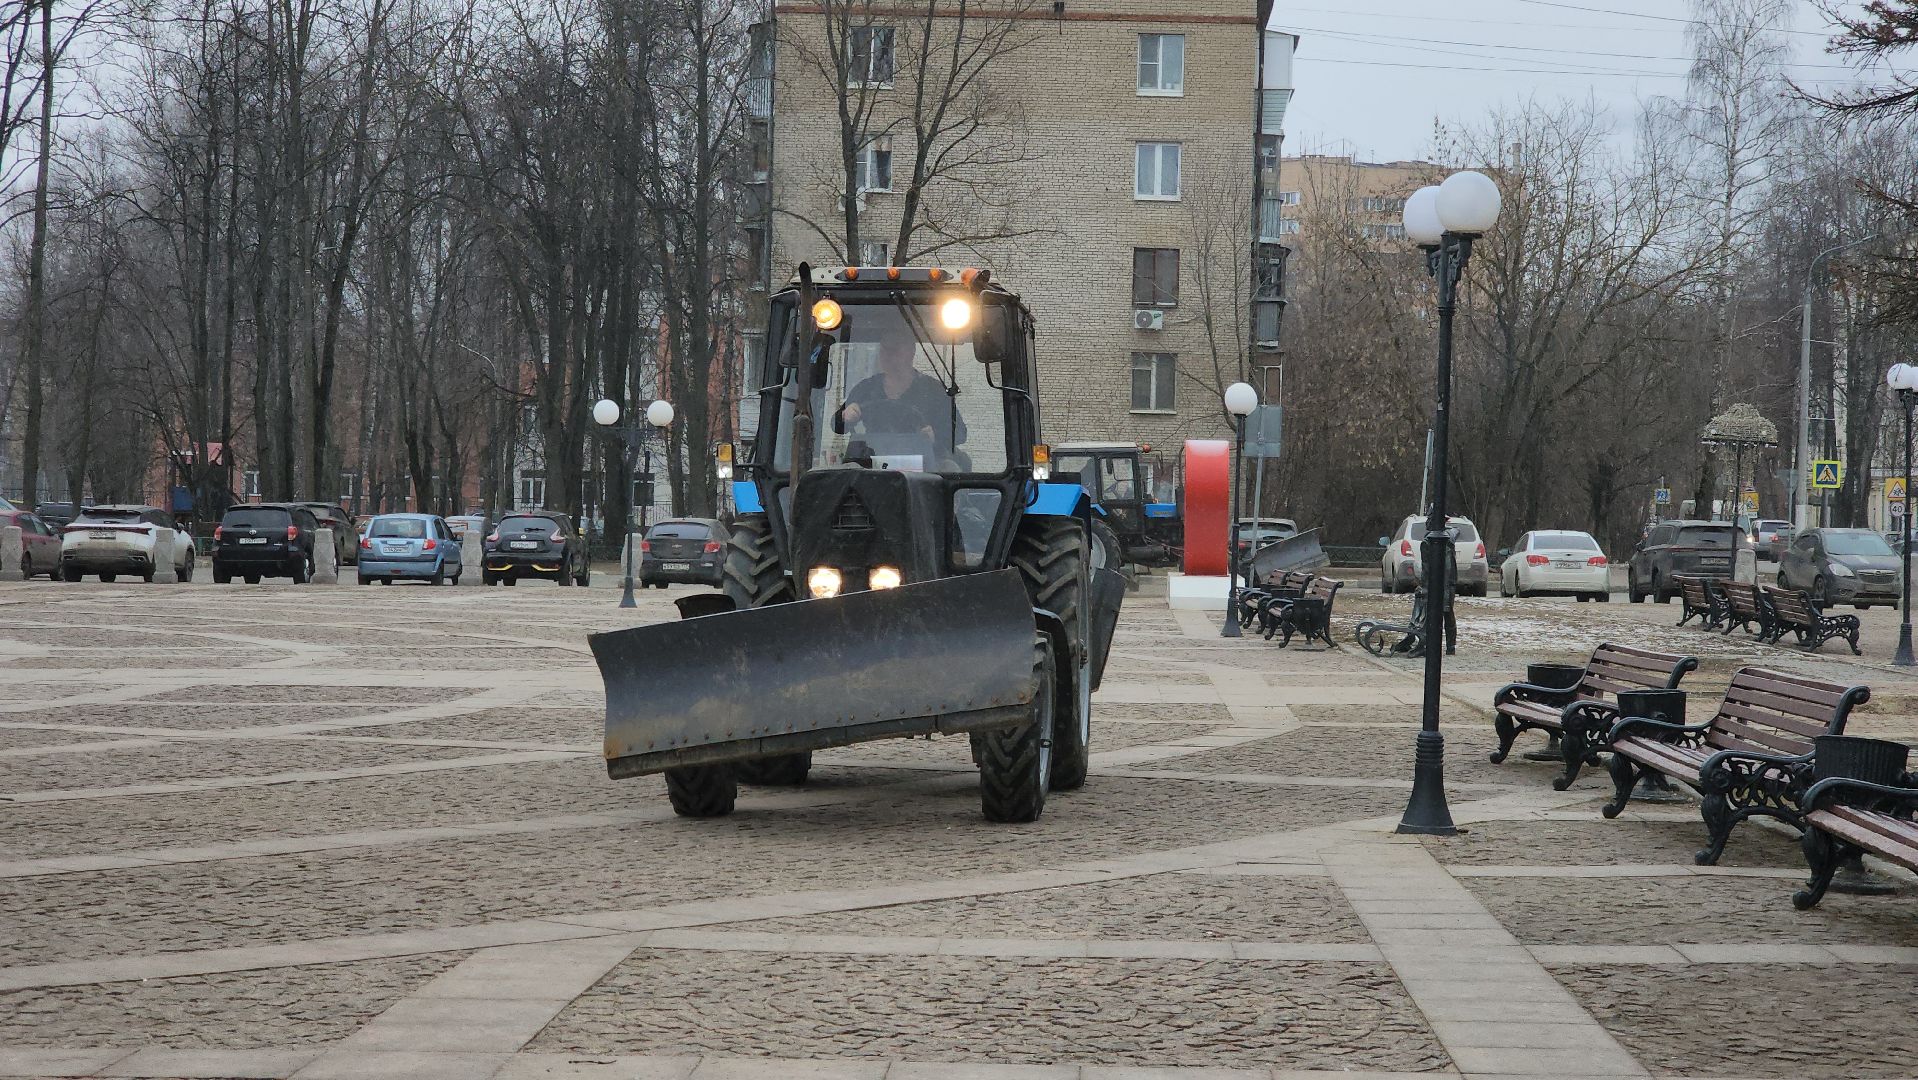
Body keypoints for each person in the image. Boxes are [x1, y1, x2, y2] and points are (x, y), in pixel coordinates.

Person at [832, 342, 965, 448]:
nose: (888, 356)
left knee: (950, 467)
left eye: (895, 349)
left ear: (911, 352)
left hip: (926, 466)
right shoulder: (866, 388)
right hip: (873, 463)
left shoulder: (934, 390)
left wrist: (935, 434)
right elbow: (836, 426)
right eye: (884, 350)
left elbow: (959, 433)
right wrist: (845, 416)